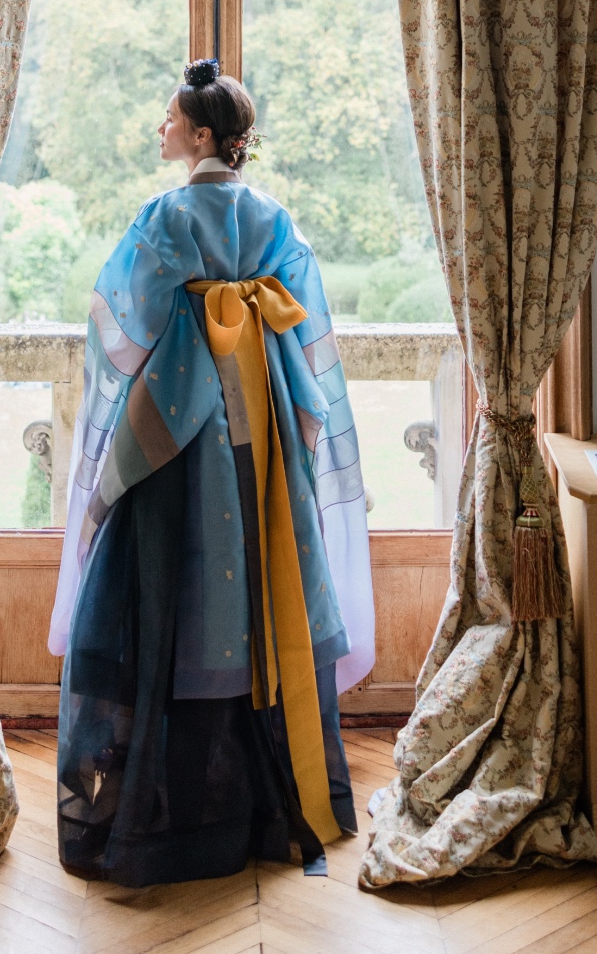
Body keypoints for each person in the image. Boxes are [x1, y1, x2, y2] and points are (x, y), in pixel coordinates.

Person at [48, 59, 374, 886]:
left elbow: (123, 326)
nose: (161, 130)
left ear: (199, 136)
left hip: (178, 429)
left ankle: (170, 808)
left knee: (171, 598)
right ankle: (266, 798)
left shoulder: (164, 217)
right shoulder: (274, 217)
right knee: (263, 591)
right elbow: (310, 332)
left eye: (169, 119)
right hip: (258, 430)